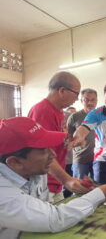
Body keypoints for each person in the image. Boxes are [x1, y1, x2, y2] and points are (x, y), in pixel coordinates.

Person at [0, 117, 106, 239]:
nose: (53, 155)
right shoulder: (3, 194)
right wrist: (102, 191)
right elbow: (55, 218)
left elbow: (45, 208)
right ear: (15, 162)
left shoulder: (35, 171)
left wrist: (68, 180)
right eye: (44, 150)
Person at [28, 71, 88, 203]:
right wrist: (67, 179)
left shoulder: (59, 112)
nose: (77, 99)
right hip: (44, 184)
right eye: (76, 94)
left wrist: (73, 141)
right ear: (62, 91)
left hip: (55, 183)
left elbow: (55, 141)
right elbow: (42, 153)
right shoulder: (43, 111)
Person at [67, 88, 98, 180]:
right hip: (80, 159)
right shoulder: (74, 117)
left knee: (98, 188)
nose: (90, 103)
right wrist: (76, 143)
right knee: (78, 188)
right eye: (86, 99)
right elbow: (68, 138)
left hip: (99, 159)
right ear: (81, 100)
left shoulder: (101, 116)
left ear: (97, 101)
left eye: (93, 100)